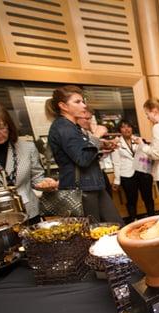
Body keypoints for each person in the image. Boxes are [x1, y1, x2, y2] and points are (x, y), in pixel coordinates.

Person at [46, 85, 123, 224]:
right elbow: (82, 159)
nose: (83, 105)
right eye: (77, 102)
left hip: (92, 185)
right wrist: (96, 136)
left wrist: (101, 145)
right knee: (93, 233)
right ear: (63, 106)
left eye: (82, 101)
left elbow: (81, 151)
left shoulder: (72, 126)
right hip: (81, 190)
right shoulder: (63, 127)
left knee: (114, 226)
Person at [0, 102, 57, 224]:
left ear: (9, 126)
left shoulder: (27, 147)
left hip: (28, 211)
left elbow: (37, 179)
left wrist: (46, 183)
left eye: (1, 127)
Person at [111, 120, 155, 222]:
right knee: (131, 200)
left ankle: (153, 218)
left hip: (143, 172)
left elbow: (147, 156)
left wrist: (150, 172)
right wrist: (117, 180)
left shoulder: (139, 140)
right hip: (127, 174)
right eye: (123, 127)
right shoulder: (117, 143)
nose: (127, 129)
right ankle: (133, 220)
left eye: (129, 126)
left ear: (132, 128)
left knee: (148, 198)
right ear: (120, 130)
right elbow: (116, 163)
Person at [77, 107, 113, 197]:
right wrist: (96, 135)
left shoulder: (87, 133)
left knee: (109, 197)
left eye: (91, 118)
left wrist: (104, 146)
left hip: (99, 172)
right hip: (88, 178)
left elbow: (94, 152)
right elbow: (84, 157)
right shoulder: (76, 135)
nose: (90, 122)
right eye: (87, 119)